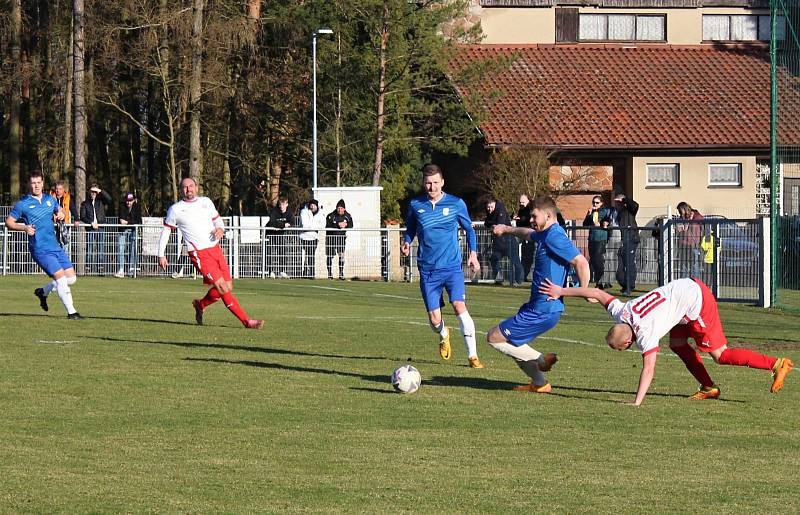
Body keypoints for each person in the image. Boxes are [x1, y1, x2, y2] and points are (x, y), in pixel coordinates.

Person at [539, 277, 794, 406]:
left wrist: (636, 402)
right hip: (682, 290)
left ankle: (777, 364)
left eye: (619, 349)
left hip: (697, 300)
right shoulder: (621, 310)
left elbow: (649, 368)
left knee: (720, 354)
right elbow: (595, 292)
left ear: (628, 343)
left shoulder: (647, 333)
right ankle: (708, 387)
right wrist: (560, 291)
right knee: (678, 345)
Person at [486, 195, 590, 392]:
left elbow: (581, 262)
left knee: (494, 337)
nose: (531, 220)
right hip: (539, 307)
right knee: (515, 344)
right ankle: (540, 384)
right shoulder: (545, 233)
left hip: (544, 309)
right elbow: (527, 233)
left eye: (534, 216)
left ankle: (541, 360)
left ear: (549, 215)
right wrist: (506, 229)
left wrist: (584, 291)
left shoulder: (554, 236)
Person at [401, 164, 484, 369]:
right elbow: (411, 227)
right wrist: (406, 241)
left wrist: (473, 254)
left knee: (459, 306)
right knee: (435, 319)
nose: (432, 187)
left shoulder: (456, 204)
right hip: (428, 269)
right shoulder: (415, 204)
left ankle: (473, 356)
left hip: (452, 268)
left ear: (442, 182)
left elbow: (469, 230)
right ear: (424, 183)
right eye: (428, 183)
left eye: (436, 183)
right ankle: (444, 334)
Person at [158, 177, 263, 329]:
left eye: (191, 186)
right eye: (185, 187)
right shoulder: (176, 209)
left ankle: (200, 304)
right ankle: (247, 321)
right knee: (222, 287)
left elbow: (217, 220)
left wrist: (220, 228)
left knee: (228, 286)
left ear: (196, 187)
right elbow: (167, 230)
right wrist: (161, 254)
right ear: (180, 190)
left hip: (215, 249)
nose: (189, 189)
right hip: (199, 254)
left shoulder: (206, 202)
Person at [5, 172, 84, 319]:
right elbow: (9, 222)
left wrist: (61, 213)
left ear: (43, 184)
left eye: (38, 183)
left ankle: (43, 291)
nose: (36, 186)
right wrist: (24, 228)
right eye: (33, 183)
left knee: (71, 279)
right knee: (60, 279)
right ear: (29, 184)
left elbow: (58, 210)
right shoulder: (23, 203)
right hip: (40, 248)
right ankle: (72, 312)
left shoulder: (50, 199)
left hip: (55, 245)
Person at [484, 197, 523, 286]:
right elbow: (487, 223)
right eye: (488, 207)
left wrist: (492, 224)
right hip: (498, 242)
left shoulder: (501, 209)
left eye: (491, 207)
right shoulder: (490, 213)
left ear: (495, 204)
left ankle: (519, 281)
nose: (489, 209)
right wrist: (492, 224)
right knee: (494, 258)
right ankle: (499, 278)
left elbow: (499, 224)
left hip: (509, 240)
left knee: (515, 261)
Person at [79, 183, 112, 275]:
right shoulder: (85, 203)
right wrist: (91, 223)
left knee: (100, 249)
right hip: (90, 229)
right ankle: (88, 268)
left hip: (101, 227)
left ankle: (100, 268)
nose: (93, 193)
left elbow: (109, 199)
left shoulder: (101, 201)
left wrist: (101, 191)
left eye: (95, 192)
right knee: (89, 249)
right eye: (92, 191)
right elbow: (82, 216)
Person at [613, 186, 639, 295]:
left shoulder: (630, 211)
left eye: (618, 203)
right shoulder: (618, 214)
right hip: (622, 242)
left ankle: (629, 286)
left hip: (631, 240)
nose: (616, 205)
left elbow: (635, 205)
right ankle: (624, 284)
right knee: (619, 266)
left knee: (629, 264)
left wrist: (624, 200)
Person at [583, 195, 612, 289]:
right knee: (594, 261)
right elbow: (585, 224)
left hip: (600, 239)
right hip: (592, 238)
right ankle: (599, 282)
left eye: (597, 202)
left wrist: (592, 213)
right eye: (593, 202)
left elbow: (595, 219)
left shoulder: (603, 211)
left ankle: (601, 282)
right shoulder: (593, 212)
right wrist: (588, 213)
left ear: (601, 203)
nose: (595, 204)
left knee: (598, 261)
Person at [115, 192, 142, 278]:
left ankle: (131, 269)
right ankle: (121, 270)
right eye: (127, 200)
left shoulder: (137, 207)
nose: (128, 202)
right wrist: (128, 222)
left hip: (133, 230)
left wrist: (128, 222)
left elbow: (137, 220)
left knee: (133, 249)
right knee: (121, 248)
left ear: (133, 200)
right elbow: (121, 219)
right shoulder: (122, 206)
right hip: (122, 230)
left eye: (130, 201)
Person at [675, 201, 704, 279]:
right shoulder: (681, 218)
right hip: (683, 245)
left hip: (694, 245)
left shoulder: (697, 216)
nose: (679, 213)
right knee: (683, 267)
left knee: (694, 266)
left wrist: (702, 242)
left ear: (684, 209)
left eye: (680, 211)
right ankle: (683, 285)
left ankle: (696, 284)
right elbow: (679, 230)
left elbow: (704, 228)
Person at [325, 199, 353, 280]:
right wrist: (337, 225)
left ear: (344, 208)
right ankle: (329, 273)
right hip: (331, 238)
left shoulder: (347, 216)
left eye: (341, 208)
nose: (340, 210)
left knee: (341, 255)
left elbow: (351, 225)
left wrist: (346, 225)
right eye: (338, 208)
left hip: (341, 239)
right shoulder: (331, 215)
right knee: (330, 256)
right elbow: (327, 226)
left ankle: (341, 273)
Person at [266, 195, 292, 279]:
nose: (281, 206)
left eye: (283, 204)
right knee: (269, 253)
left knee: (282, 252)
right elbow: (272, 223)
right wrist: (283, 225)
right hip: (270, 234)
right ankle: (270, 271)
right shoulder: (274, 211)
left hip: (280, 235)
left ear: (287, 204)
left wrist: (280, 226)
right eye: (280, 204)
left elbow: (292, 222)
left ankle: (282, 271)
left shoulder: (289, 212)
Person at [299, 199, 325, 278]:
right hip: (304, 236)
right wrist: (315, 225)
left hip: (314, 237)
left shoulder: (320, 213)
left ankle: (312, 273)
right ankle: (303, 272)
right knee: (303, 256)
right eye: (311, 205)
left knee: (311, 255)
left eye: (314, 205)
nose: (312, 206)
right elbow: (304, 224)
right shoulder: (304, 211)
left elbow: (322, 225)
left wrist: (311, 226)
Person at [52, 180, 79, 251]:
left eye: (60, 189)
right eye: (57, 189)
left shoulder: (68, 197)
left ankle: (64, 259)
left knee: (64, 245)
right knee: (54, 244)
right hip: (53, 224)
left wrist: (76, 219)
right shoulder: (51, 197)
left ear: (63, 189)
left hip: (64, 224)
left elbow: (73, 209)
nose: (58, 191)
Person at [514, 194, 534, 282]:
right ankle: (518, 274)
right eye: (520, 202)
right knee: (512, 245)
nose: (521, 204)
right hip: (523, 232)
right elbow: (520, 222)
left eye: (523, 202)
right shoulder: (521, 210)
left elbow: (529, 219)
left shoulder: (532, 209)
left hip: (531, 232)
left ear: (528, 201)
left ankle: (530, 275)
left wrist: (520, 219)